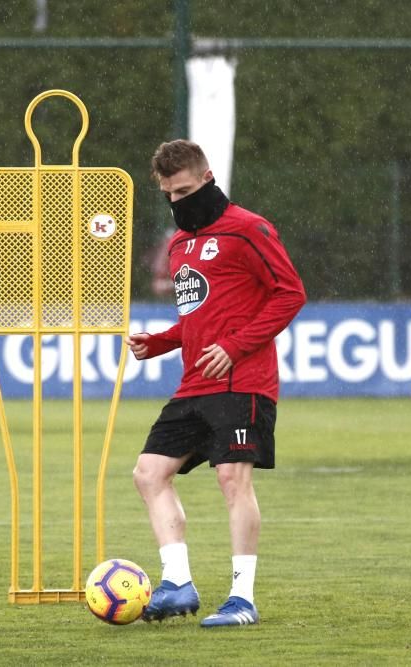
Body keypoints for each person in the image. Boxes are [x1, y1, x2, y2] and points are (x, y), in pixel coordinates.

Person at [126, 139, 306, 627]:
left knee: (232, 478)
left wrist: (235, 346)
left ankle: (242, 599)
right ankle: (178, 582)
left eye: (183, 190)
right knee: (148, 473)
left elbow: (291, 294)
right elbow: (197, 318)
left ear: (207, 178)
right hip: (194, 385)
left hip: (244, 380)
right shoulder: (179, 245)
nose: (177, 202)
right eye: (168, 194)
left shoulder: (250, 229)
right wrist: (159, 342)